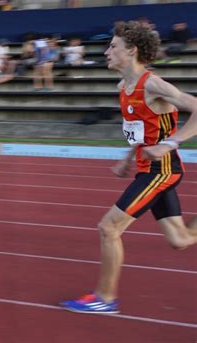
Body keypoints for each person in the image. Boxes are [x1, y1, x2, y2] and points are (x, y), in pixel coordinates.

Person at [61, 20, 197, 314]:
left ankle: (105, 298)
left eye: (113, 46)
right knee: (180, 239)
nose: (107, 51)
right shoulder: (123, 85)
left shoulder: (153, 83)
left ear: (131, 50)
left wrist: (171, 143)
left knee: (108, 228)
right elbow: (142, 131)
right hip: (147, 169)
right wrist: (127, 156)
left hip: (162, 170)